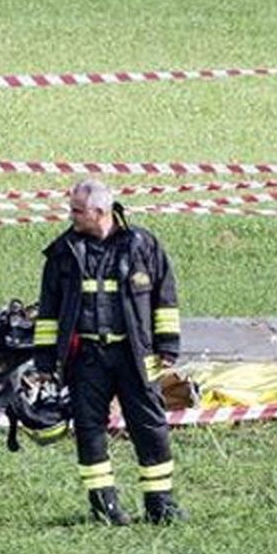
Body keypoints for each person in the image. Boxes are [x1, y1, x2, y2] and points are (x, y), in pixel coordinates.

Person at [31, 179, 187, 525]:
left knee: (150, 428)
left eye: (77, 211)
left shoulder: (143, 246)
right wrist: (44, 361)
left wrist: (168, 346)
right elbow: (48, 312)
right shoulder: (63, 253)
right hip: (87, 359)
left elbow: (165, 298)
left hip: (136, 356)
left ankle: (161, 505)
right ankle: (105, 508)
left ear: (101, 212)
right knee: (89, 430)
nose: (70, 216)